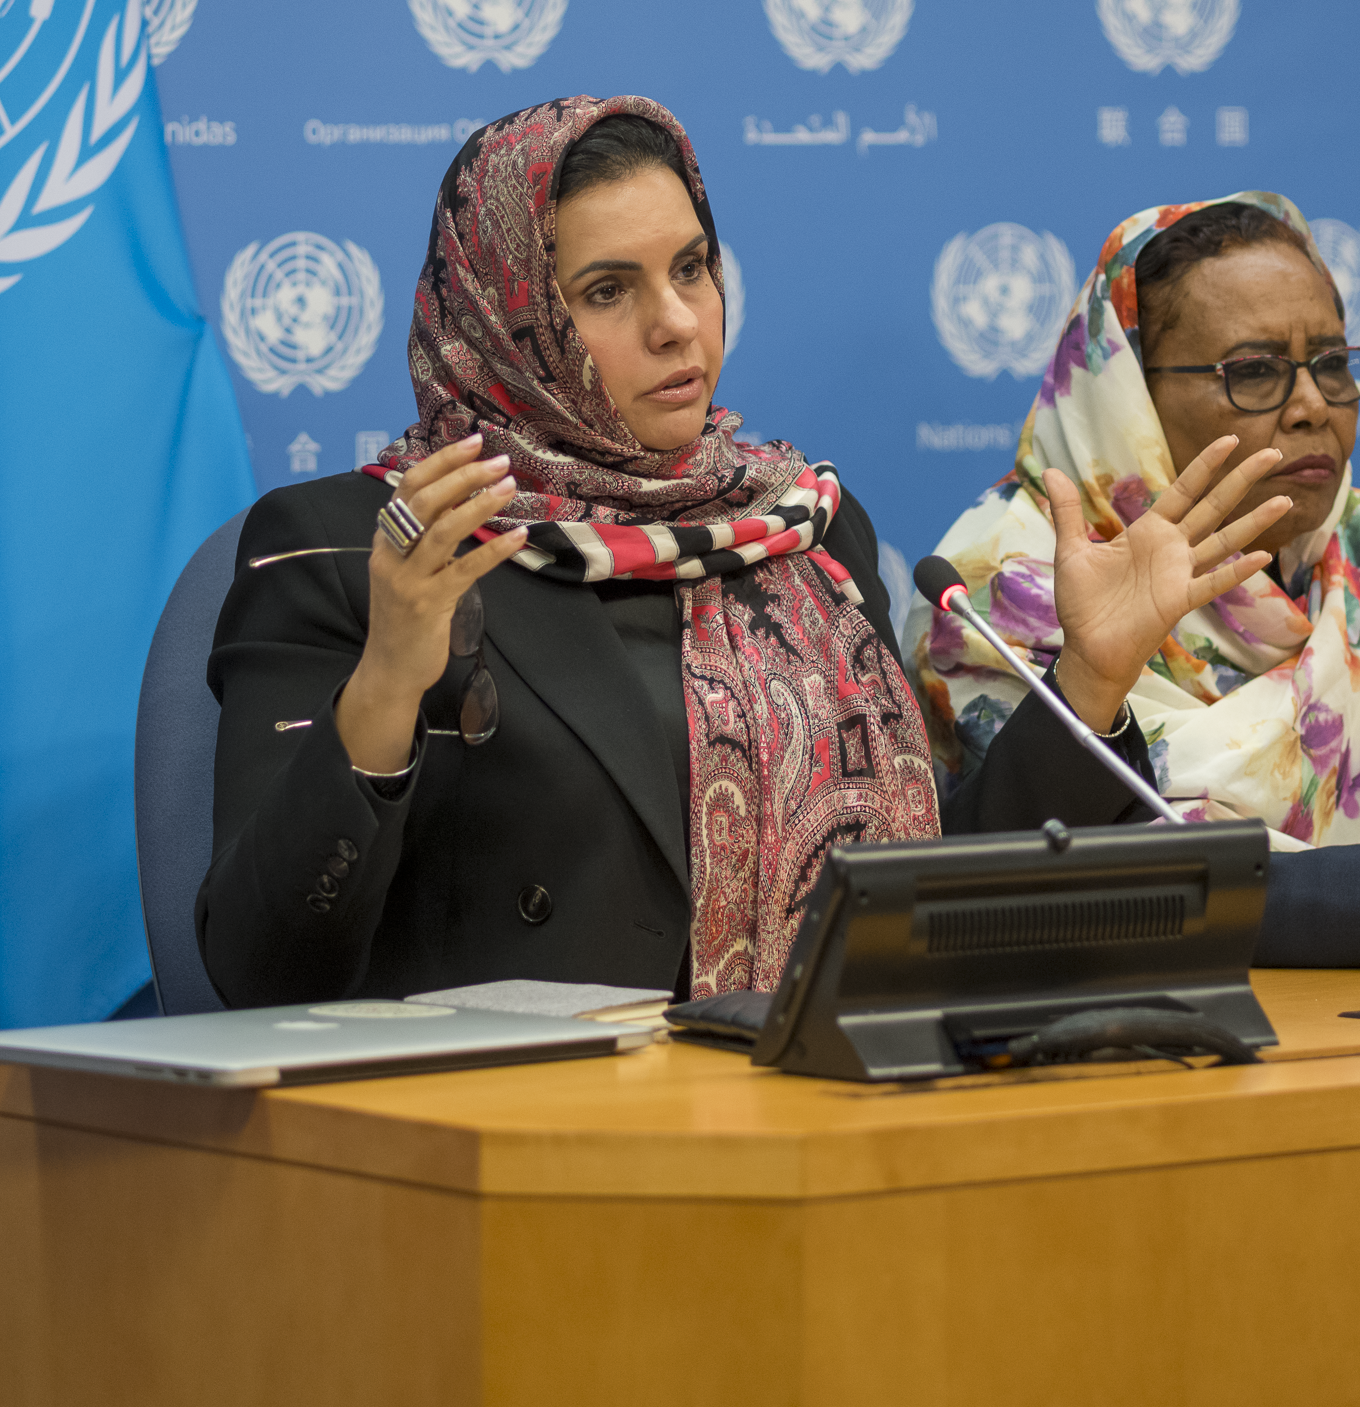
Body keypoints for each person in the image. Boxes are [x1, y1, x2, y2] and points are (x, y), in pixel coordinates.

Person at [197, 108, 1285, 1007]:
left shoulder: (799, 527)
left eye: (691, 267)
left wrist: (1088, 682)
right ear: (505, 318)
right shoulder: (362, 546)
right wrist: (387, 681)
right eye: (607, 291)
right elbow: (260, 969)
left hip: (816, 1115)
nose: (679, 322)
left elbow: (919, 901)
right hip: (514, 1160)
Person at [908, 191, 1360, 959]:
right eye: (1255, 371)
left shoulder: (1342, 544)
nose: (1313, 405)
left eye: (1331, 363)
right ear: (1126, 394)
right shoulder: (1002, 586)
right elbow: (1095, 890)